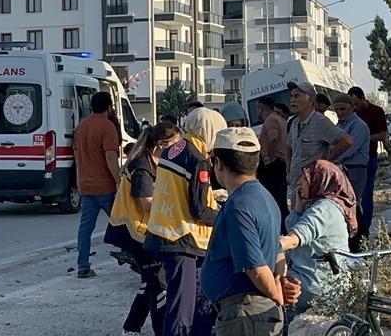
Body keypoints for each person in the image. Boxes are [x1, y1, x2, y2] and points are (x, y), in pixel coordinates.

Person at [201, 127, 298, 336]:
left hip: (245, 316)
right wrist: (280, 282)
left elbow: (255, 268)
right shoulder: (265, 197)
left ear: (219, 163)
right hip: (253, 313)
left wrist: (277, 296)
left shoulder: (239, 206)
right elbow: (277, 250)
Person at [144, 107, 225, 336]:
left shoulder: (172, 150)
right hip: (182, 237)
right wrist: (224, 216)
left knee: (197, 299)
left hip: (162, 231)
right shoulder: (199, 159)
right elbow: (199, 210)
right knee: (183, 306)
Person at [106, 122, 182, 336]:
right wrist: (176, 203)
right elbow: (146, 202)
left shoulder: (155, 162)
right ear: (161, 144)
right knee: (160, 282)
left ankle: (131, 328)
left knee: (150, 281)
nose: (179, 149)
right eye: (176, 145)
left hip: (141, 230)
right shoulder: (142, 166)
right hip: (132, 231)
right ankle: (161, 331)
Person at [280, 160, 356, 321]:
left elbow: (296, 238)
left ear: (319, 180)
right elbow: (296, 226)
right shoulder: (324, 204)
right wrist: (299, 208)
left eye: (304, 179)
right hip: (327, 279)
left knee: (263, 288)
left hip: (317, 282)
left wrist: (268, 246)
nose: (299, 184)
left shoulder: (323, 209)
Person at [73, 91, 121, 278]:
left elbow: (77, 157)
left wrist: (79, 180)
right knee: (121, 223)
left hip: (87, 186)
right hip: (106, 187)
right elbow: (110, 157)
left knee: (85, 228)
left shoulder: (81, 127)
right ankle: (132, 255)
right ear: (108, 107)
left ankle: (82, 265)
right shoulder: (107, 127)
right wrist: (119, 181)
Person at [286, 82, 353, 209]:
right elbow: (288, 147)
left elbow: (347, 141)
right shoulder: (294, 123)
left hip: (313, 190)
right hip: (296, 186)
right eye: (292, 96)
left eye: (297, 96)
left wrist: (326, 163)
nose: (292, 100)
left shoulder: (320, 122)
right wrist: (288, 171)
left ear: (311, 101)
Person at [348, 86, 391, 241]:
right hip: (352, 161)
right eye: (351, 105)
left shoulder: (376, 111)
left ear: (362, 99)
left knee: (366, 195)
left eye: (355, 103)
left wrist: (363, 138)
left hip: (369, 158)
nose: (354, 107)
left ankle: (365, 230)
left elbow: (382, 135)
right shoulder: (353, 115)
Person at [332, 93, 370, 252]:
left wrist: (330, 159)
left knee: (353, 205)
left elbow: (349, 148)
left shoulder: (358, 126)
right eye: (336, 109)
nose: (339, 112)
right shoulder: (340, 125)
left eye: (342, 109)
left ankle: (361, 244)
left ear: (352, 107)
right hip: (342, 168)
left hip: (354, 169)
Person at [257, 96, 289, 234]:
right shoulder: (281, 119)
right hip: (282, 163)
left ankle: (278, 229)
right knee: (280, 200)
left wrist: (268, 157)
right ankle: (284, 228)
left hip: (275, 164)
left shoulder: (270, 119)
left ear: (261, 107)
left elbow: (273, 138)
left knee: (273, 200)